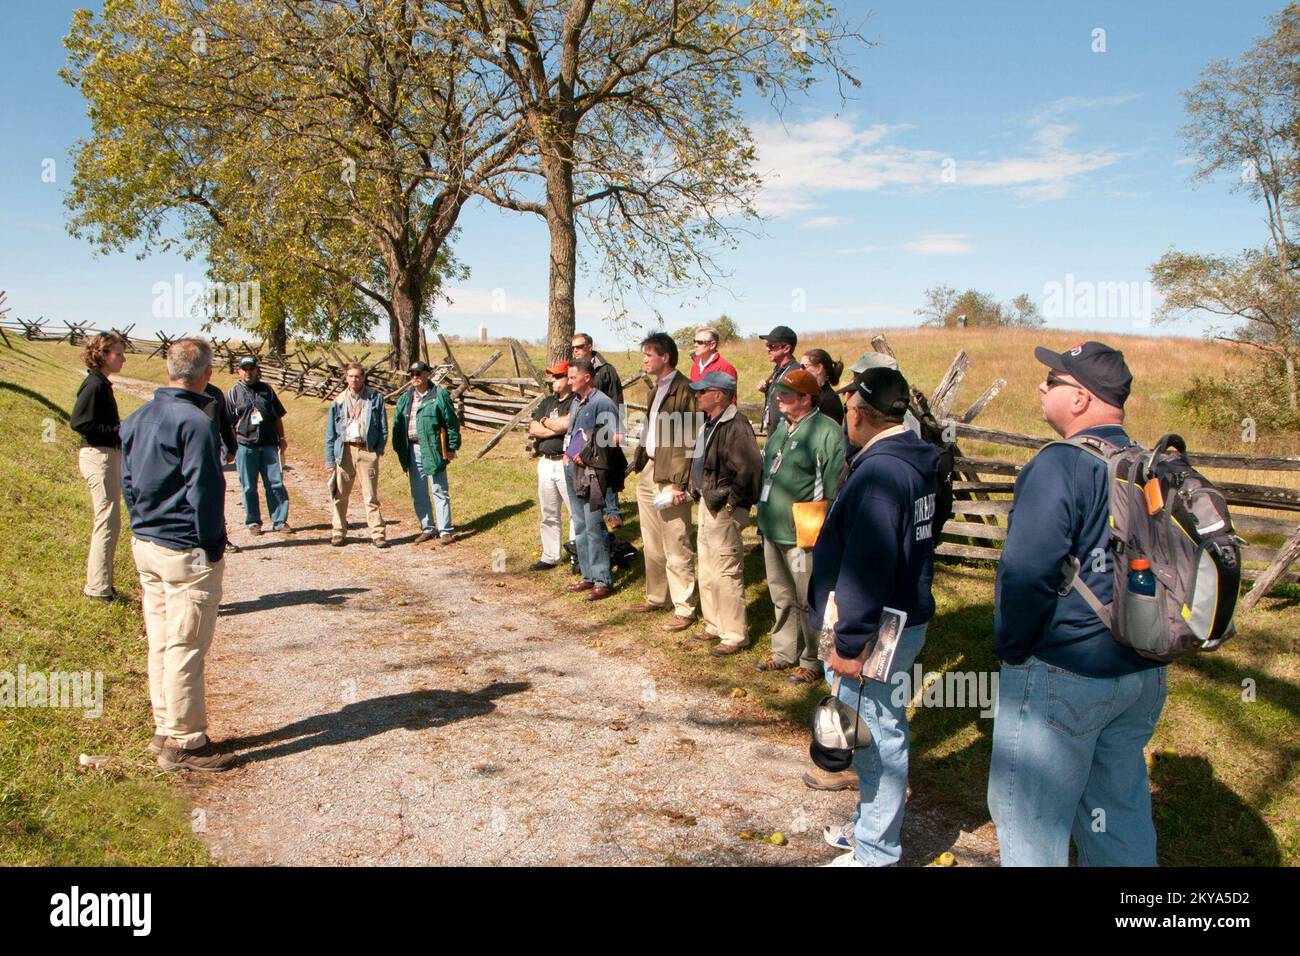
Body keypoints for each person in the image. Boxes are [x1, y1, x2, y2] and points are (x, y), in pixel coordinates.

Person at [988, 341, 1165, 867]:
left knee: (1030, 822)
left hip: (1066, 670)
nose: (1043, 389)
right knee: (1118, 811)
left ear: (1082, 399)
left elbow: (1025, 573)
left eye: (1053, 381)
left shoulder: (1059, 465)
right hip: (1141, 669)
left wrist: (1012, 647)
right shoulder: (1145, 463)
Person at [808, 366, 939, 867]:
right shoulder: (912, 459)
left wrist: (849, 641)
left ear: (859, 414)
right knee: (872, 726)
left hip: (875, 627)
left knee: (874, 732)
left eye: (848, 411)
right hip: (892, 617)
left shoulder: (883, 473)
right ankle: (869, 829)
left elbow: (870, 563)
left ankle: (876, 853)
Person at [120, 338, 233, 772]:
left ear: (170, 370)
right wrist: (212, 542)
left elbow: (127, 483)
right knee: (186, 643)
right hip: (185, 547)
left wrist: (142, 525)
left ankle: (165, 726)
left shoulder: (137, 418)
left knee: (163, 640)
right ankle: (186, 743)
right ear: (205, 374)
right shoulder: (197, 422)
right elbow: (205, 489)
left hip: (147, 544)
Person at [755, 367, 845, 684]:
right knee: (781, 594)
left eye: (787, 394)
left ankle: (813, 659)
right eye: (779, 392)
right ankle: (783, 653)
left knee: (809, 598)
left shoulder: (825, 431)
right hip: (772, 526)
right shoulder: (782, 428)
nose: (779, 398)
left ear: (806, 399)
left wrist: (819, 530)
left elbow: (833, 486)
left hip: (804, 532)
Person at [685, 371, 761, 656]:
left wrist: (732, 503)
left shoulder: (736, 426)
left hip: (723, 507)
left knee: (726, 570)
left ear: (718, 394)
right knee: (707, 567)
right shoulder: (711, 423)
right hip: (709, 503)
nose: (697, 396)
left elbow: (750, 469)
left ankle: (734, 634)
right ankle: (714, 624)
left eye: (702, 392)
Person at [631, 332, 698, 632]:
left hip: (671, 473)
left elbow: (690, 438)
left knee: (676, 539)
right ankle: (658, 597)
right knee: (651, 538)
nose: (644, 359)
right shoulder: (655, 389)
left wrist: (680, 484)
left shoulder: (685, 389)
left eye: (649, 354)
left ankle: (684, 606)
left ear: (665, 357)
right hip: (649, 470)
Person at [70, 332, 127, 602]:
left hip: (106, 453)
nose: (123, 358)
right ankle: (97, 588)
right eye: (118, 353)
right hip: (98, 454)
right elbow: (79, 422)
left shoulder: (102, 383)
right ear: (102, 354)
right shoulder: (94, 384)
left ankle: (103, 582)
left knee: (111, 521)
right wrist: (113, 430)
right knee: (106, 521)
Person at [563, 358, 622, 601]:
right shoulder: (577, 402)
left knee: (594, 525)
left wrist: (587, 454)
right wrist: (568, 458)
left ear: (587, 377)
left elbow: (615, 437)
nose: (569, 381)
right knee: (579, 523)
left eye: (572, 376)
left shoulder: (602, 402)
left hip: (592, 472)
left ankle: (602, 579)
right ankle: (587, 575)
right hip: (572, 469)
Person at [391, 361, 460, 545]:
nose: (415, 377)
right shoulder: (406, 398)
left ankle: (445, 530)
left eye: (418, 373)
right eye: (412, 374)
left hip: (433, 448)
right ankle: (428, 528)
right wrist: (399, 449)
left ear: (427, 374)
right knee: (418, 491)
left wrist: (452, 447)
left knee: (439, 489)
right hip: (412, 449)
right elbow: (397, 426)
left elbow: (451, 422)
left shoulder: (439, 395)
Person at [325, 363, 390, 548]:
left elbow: (383, 426)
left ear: (363, 377)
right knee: (340, 494)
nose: (355, 379)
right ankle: (338, 531)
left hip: (366, 449)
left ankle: (378, 534)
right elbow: (330, 433)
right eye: (351, 376)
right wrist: (330, 459)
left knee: (370, 495)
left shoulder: (375, 397)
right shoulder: (338, 401)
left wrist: (378, 450)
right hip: (345, 450)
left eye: (358, 376)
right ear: (346, 378)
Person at [225, 356, 290, 534]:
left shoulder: (267, 390)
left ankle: (279, 521)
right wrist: (231, 447)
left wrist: (282, 438)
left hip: (269, 444)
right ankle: (253, 522)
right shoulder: (233, 393)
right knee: (248, 486)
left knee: (275, 483)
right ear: (239, 371)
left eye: (252, 368)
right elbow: (227, 424)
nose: (248, 372)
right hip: (244, 445)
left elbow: (277, 416)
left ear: (256, 370)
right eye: (245, 369)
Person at [571, 333, 626, 530]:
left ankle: (613, 512)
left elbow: (616, 399)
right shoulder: (575, 371)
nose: (575, 350)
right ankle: (593, 510)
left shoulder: (605, 370)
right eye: (573, 347)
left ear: (589, 346)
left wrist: (616, 429)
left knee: (605, 468)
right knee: (585, 468)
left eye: (579, 346)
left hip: (603, 427)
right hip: (582, 429)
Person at [529, 361, 576, 570]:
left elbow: (568, 424)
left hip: (566, 460)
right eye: (552, 377)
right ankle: (550, 555)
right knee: (548, 510)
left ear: (569, 378)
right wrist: (555, 429)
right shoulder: (548, 401)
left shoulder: (576, 401)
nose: (553, 381)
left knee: (575, 511)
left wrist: (550, 425)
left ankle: (577, 555)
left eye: (558, 376)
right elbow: (533, 428)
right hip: (546, 462)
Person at [757, 325, 801, 436]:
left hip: (786, 437)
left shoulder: (795, 372)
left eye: (771, 346)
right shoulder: (779, 369)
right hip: (774, 435)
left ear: (786, 348)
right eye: (767, 345)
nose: (767, 349)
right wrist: (767, 390)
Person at [689, 327, 739, 404]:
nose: (695, 345)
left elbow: (730, 402)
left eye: (700, 342)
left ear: (712, 345)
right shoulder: (695, 366)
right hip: (696, 415)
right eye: (694, 341)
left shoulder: (725, 368)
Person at [802, 348, 845, 425]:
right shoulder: (813, 394)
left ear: (819, 368)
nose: (800, 370)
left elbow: (831, 433)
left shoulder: (829, 400)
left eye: (804, 366)